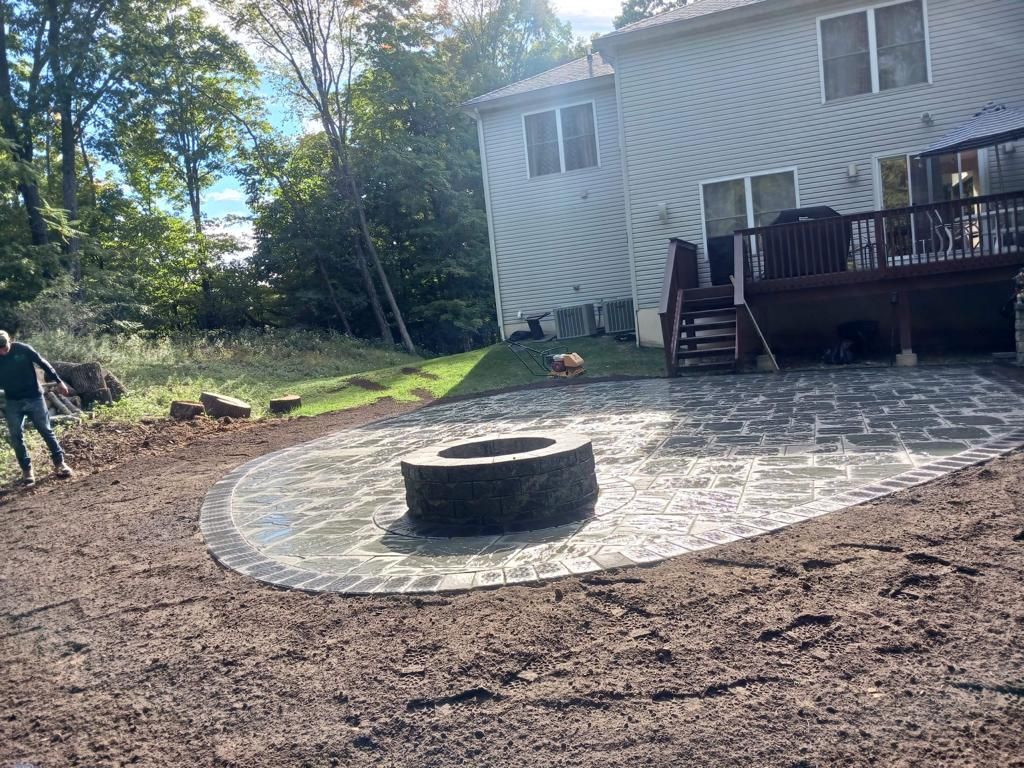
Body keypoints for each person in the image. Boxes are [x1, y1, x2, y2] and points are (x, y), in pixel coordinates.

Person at [0, 330, 74, 487]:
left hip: (34, 397)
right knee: (15, 436)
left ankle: (60, 463)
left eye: (4, 346)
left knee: (45, 430)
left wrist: (58, 381)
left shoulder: (23, 349)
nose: (3, 351)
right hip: (13, 401)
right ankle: (27, 471)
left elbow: (43, 363)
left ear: (9, 341)